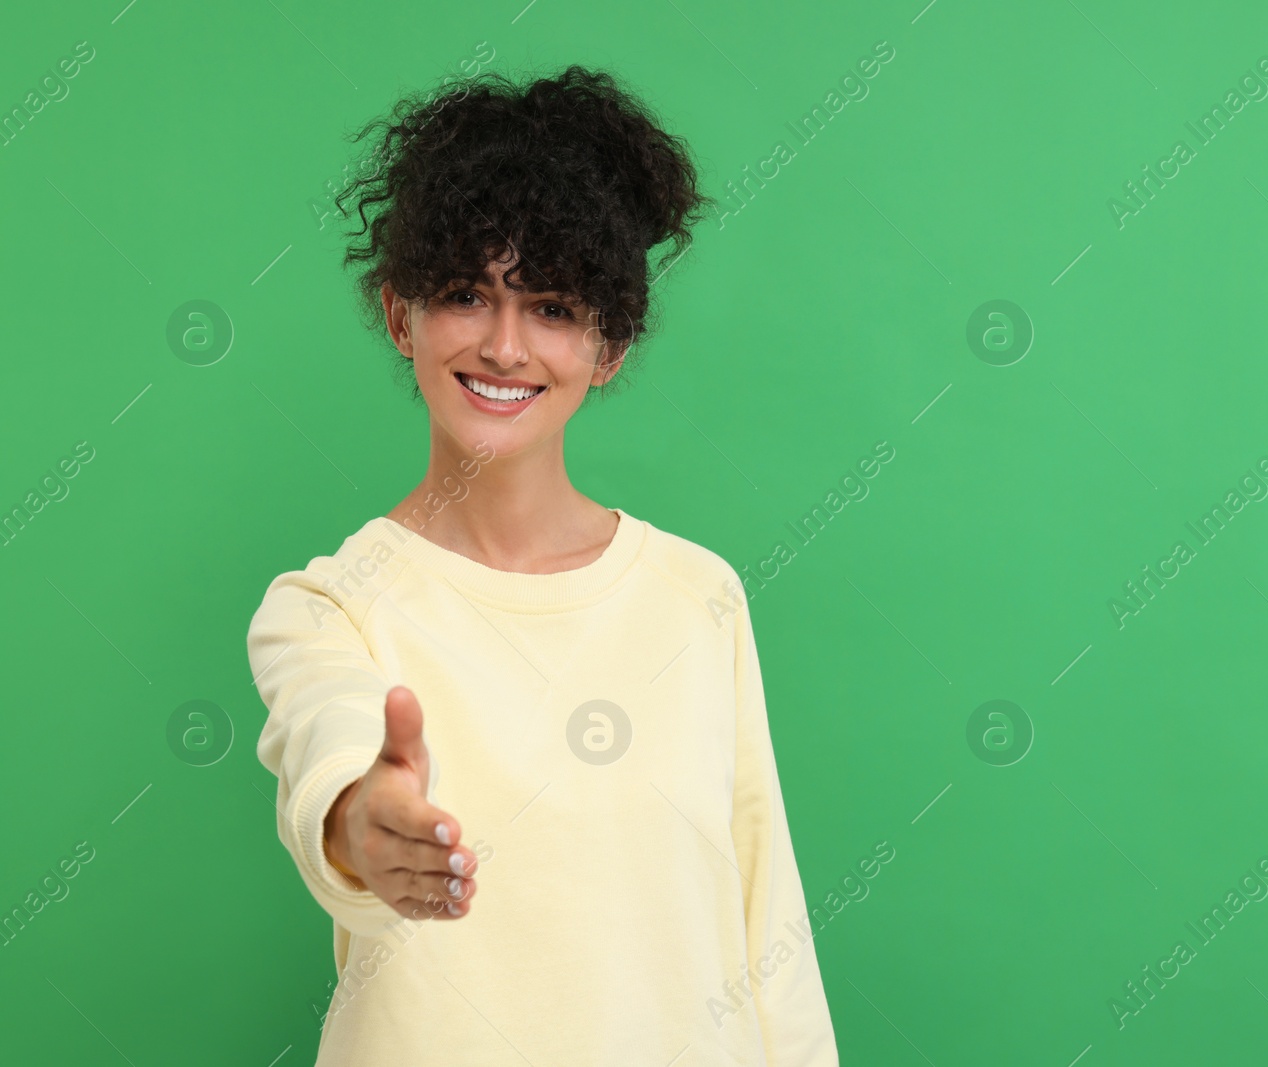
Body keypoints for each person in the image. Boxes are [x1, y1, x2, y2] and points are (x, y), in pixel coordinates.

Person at [246, 64, 839, 1066]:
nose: (505, 344)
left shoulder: (699, 596)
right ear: (401, 316)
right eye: (465, 294)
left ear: (609, 347)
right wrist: (364, 822)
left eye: (554, 306)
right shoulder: (327, 608)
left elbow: (765, 918)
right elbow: (333, 757)